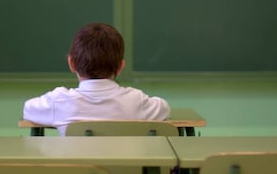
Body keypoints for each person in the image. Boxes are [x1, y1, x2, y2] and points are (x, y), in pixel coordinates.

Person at [23, 22, 170, 136]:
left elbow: (28, 109)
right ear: (121, 66)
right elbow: (164, 108)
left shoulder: (59, 101)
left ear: (71, 63)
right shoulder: (136, 101)